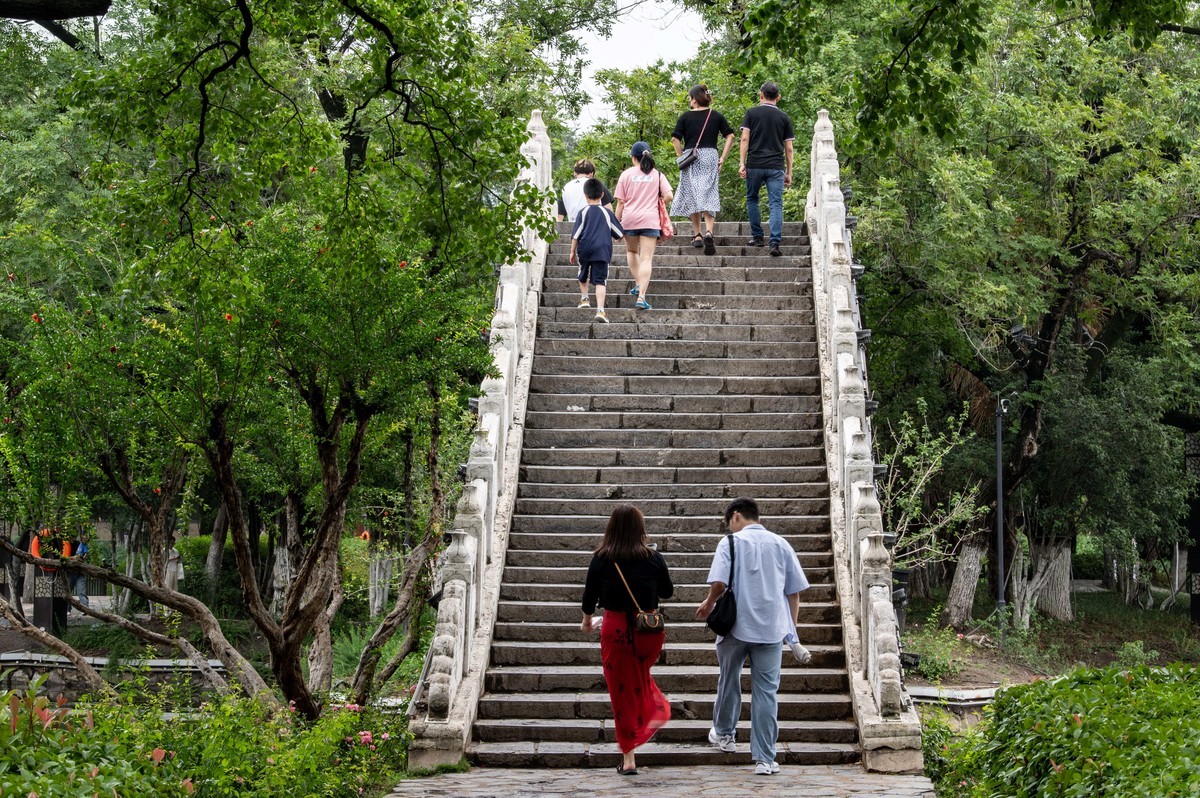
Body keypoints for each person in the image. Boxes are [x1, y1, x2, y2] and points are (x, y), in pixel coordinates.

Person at [695, 497, 810, 775]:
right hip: (771, 631)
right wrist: (790, 631)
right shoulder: (781, 544)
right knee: (766, 692)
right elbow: (793, 593)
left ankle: (725, 735)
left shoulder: (730, 542)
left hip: (734, 627)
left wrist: (709, 602)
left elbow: (720, 583)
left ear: (735, 516)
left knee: (729, 680)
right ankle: (764, 759)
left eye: (728, 523)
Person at [581, 504, 673, 775]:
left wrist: (587, 621)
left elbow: (589, 596)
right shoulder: (654, 557)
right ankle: (654, 710)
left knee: (621, 693)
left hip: (617, 629)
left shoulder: (602, 557)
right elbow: (668, 591)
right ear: (640, 528)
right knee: (637, 679)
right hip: (649, 631)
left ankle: (629, 756)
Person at [669, 84, 735, 255]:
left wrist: (680, 154)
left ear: (694, 99)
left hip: (692, 156)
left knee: (692, 194)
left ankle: (697, 234)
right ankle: (709, 232)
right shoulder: (716, 116)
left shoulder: (685, 117)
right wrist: (722, 158)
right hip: (710, 156)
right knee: (709, 192)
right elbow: (731, 136)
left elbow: (675, 138)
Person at [738, 81, 795, 258]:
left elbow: (745, 139)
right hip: (775, 166)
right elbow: (789, 148)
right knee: (776, 203)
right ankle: (775, 242)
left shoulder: (751, 113)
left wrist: (742, 162)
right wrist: (789, 172)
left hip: (755, 164)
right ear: (778, 97)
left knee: (752, 198)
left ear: (760, 94)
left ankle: (757, 237)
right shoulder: (784, 117)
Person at [614, 142, 673, 310]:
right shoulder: (657, 175)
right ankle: (641, 297)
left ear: (634, 158)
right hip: (650, 219)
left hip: (629, 219)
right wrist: (659, 202)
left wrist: (615, 226)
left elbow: (620, 203)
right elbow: (669, 195)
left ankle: (639, 283)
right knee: (647, 258)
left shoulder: (626, 175)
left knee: (632, 251)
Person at [569, 178, 625, 324]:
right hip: (602, 249)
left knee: (583, 272)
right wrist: (617, 239)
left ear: (585, 196)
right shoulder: (607, 213)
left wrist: (572, 251)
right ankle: (600, 310)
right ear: (602, 194)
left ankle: (585, 298)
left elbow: (576, 234)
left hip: (585, 248)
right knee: (600, 280)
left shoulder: (583, 212)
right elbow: (618, 233)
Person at [69, 537, 90, 611]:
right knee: (68, 590)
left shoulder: (80, 544)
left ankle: (85, 608)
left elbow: (83, 556)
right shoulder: (65, 544)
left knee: (81, 591)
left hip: (80, 571)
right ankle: (67, 609)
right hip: (70, 571)